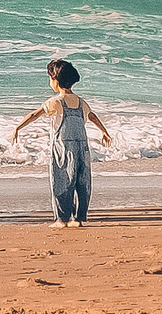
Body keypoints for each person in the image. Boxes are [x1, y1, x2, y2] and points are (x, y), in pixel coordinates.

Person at [10, 58, 112, 227]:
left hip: (63, 148)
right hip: (82, 149)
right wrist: (104, 131)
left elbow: (34, 114)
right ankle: (79, 218)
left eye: (50, 78)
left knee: (62, 180)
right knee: (82, 182)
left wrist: (17, 128)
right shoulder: (81, 102)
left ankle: (63, 219)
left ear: (55, 81)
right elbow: (92, 116)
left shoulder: (55, 102)